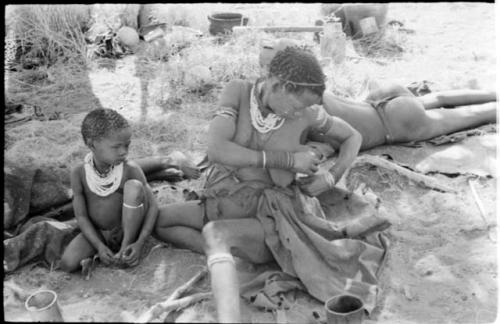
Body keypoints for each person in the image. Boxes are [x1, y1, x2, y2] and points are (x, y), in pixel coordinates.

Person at [155, 46, 389, 322]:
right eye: (295, 104)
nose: (297, 112)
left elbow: (353, 137)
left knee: (215, 234)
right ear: (279, 85)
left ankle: (230, 308)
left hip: (269, 217)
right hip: (222, 200)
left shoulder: (308, 114)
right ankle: (229, 257)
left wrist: (330, 177)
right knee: (161, 221)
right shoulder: (238, 93)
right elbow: (217, 150)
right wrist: (288, 160)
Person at [260, 38, 497, 151]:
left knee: (472, 116)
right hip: (379, 99)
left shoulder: (294, 110)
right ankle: (492, 92)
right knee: (439, 99)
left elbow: (323, 149)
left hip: (393, 123)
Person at [60, 108, 160, 272]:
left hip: (126, 231)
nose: (124, 152)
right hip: (98, 233)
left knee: (134, 187)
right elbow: (81, 216)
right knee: (68, 263)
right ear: (92, 144)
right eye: (116, 147)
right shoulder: (79, 174)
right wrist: (98, 245)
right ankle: (105, 251)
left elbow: (153, 207)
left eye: (127, 145)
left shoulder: (130, 169)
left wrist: (139, 243)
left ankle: (125, 248)